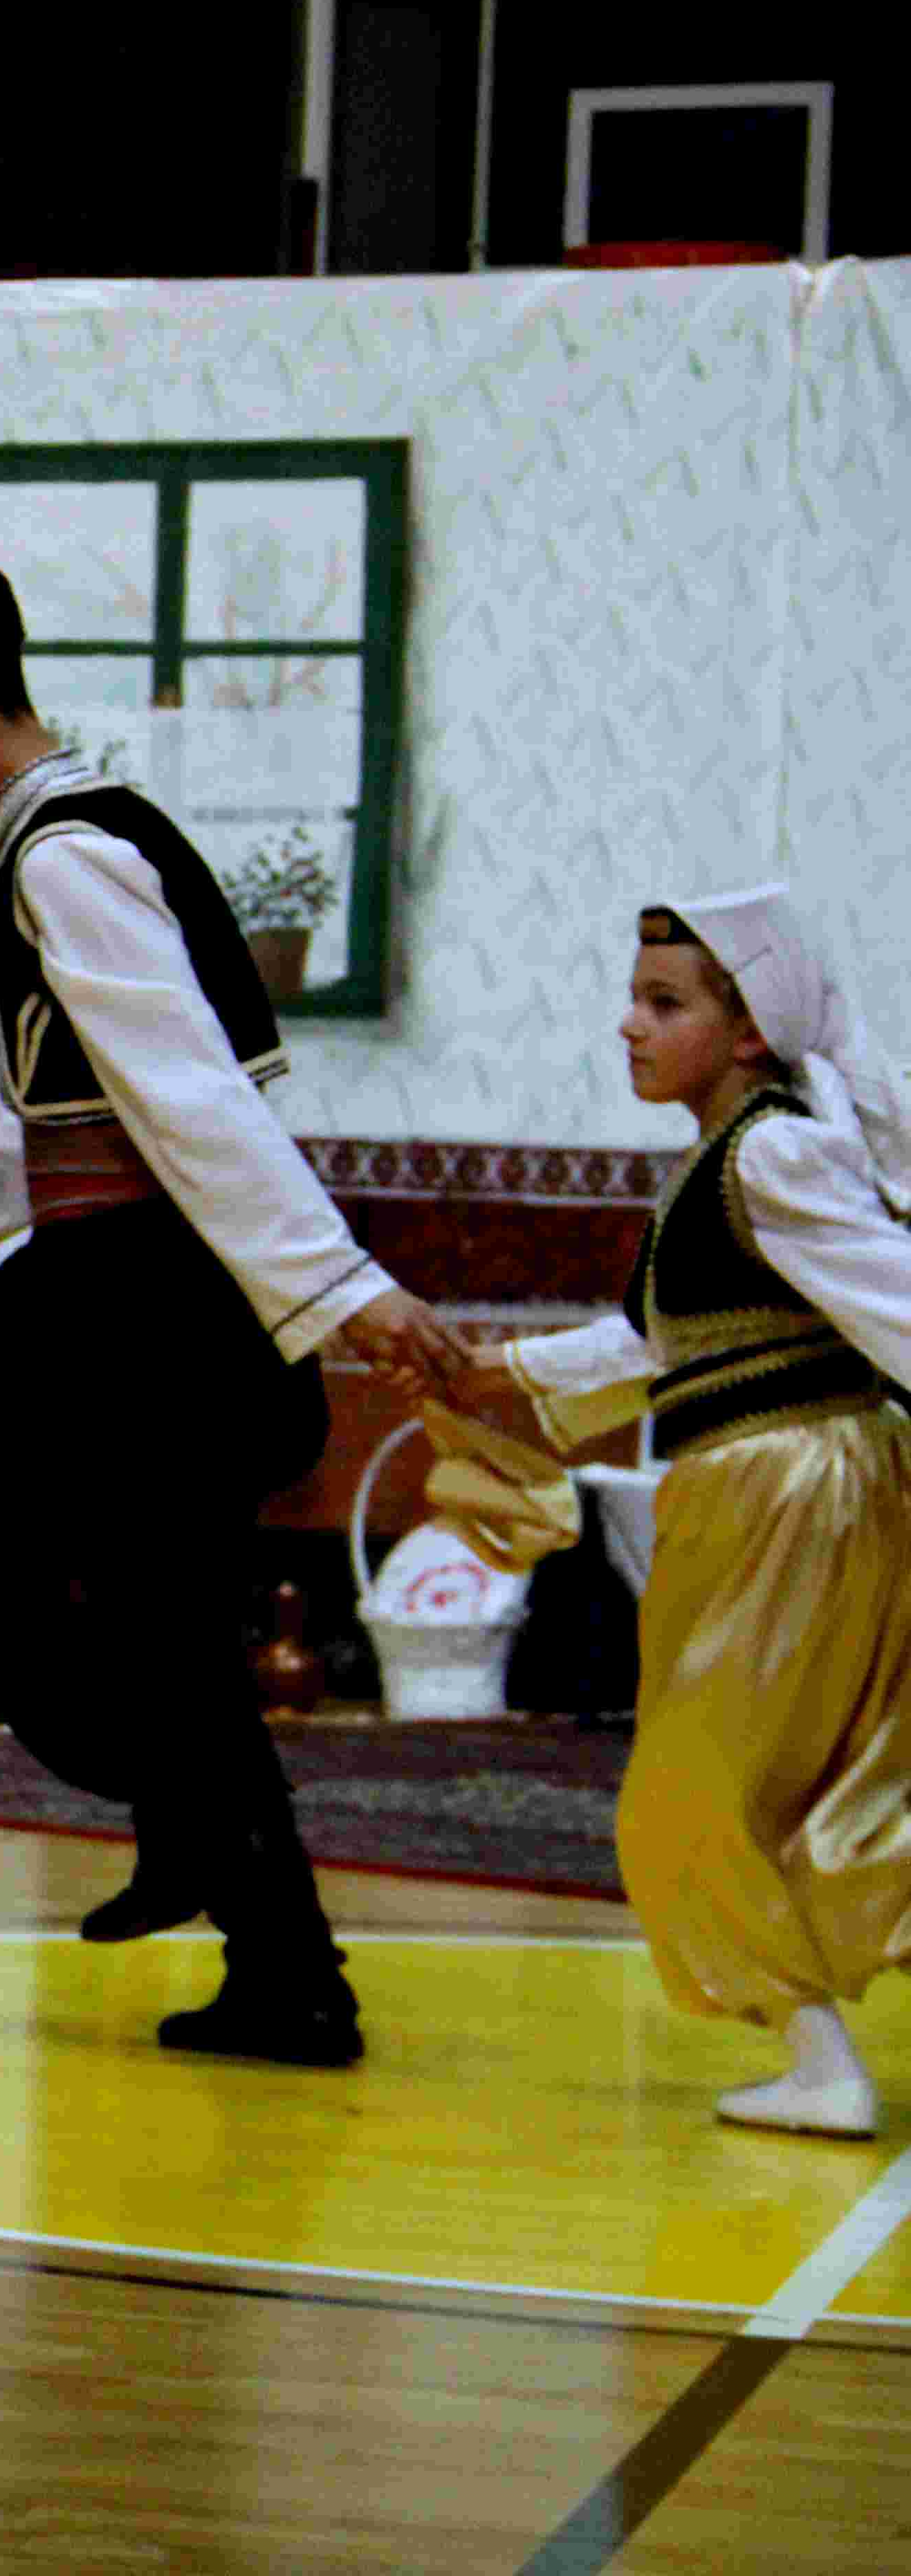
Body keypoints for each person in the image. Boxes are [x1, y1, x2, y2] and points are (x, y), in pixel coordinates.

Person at [0, 568, 467, 2068]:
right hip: (149, 1291)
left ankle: (199, 1838)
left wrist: (344, 1290)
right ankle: (279, 1961)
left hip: (139, 1306)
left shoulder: (67, 857)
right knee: (169, 1644)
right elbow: (78, 1123)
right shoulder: (88, 835)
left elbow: (193, 1108)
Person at [477, 890, 911, 2136]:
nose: (630, 1024)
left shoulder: (769, 1157)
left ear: (751, 1030)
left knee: (692, 1789)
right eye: (635, 998)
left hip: (794, 1490)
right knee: (828, 1780)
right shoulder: (726, 1165)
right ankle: (816, 2056)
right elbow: (660, 1342)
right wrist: (493, 1373)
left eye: (664, 1004)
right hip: (775, 1484)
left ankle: (822, 2070)